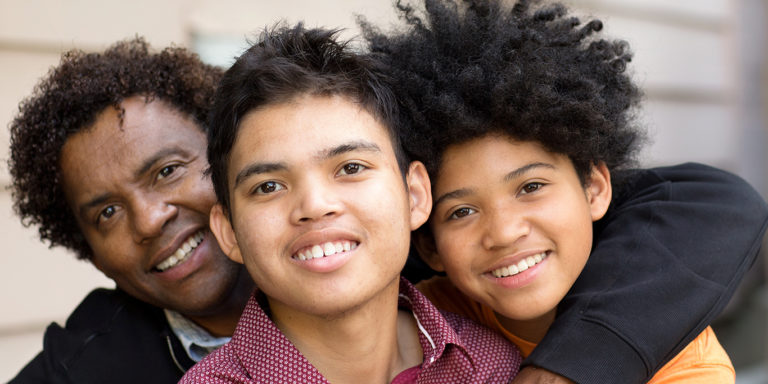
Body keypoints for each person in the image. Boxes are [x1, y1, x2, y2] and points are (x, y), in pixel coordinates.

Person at [6, 17, 766, 384]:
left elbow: (704, 204)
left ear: (414, 198)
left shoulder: (487, 345)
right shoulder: (98, 366)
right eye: (269, 184)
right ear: (231, 224)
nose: (148, 219)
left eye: (169, 171)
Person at [362, 0, 768, 382]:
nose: (504, 232)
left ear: (594, 188)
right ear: (429, 246)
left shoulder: (686, 361)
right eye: (462, 211)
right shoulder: (412, 322)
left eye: (531, 187)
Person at [181, 23, 521, 384]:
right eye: (268, 187)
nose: (315, 204)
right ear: (229, 231)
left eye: (351, 167)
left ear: (415, 196)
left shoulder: (491, 364)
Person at [7, 38, 255, 383]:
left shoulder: (338, 277)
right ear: (92, 255)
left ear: (229, 157)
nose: (150, 221)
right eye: (108, 212)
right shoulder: (76, 373)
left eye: (167, 171)